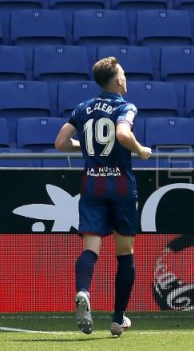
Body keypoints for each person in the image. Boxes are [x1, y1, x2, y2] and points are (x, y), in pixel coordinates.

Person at [55, 57, 152, 335]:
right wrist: (140, 149)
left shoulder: (83, 107)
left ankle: (83, 291)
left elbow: (60, 143)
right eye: (124, 73)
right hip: (120, 184)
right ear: (119, 80)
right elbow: (122, 134)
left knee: (90, 248)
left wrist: (87, 148)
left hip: (92, 184)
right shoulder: (125, 106)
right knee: (125, 253)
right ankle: (118, 318)